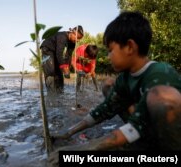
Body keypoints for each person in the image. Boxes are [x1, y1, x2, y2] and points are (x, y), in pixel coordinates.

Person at [48, 11, 181, 165]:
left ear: (130, 47)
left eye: (111, 50)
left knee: (161, 96)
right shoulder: (125, 78)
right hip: (142, 127)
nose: (109, 56)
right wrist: (67, 133)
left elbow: (140, 124)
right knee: (109, 87)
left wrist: (81, 150)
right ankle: (140, 142)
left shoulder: (160, 73)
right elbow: (105, 110)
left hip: (165, 134)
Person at [40, 25, 84, 94]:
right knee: (50, 71)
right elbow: (59, 54)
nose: (77, 41)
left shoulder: (73, 43)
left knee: (59, 73)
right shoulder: (62, 37)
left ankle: (60, 92)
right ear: (72, 32)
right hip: (47, 49)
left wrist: (67, 68)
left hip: (55, 52)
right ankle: (51, 94)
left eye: (79, 39)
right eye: (77, 38)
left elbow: (68, 55)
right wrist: (64, 68)